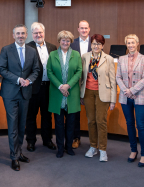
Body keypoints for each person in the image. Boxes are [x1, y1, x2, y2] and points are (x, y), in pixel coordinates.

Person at [0, 24, 40, 171]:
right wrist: (18, 79)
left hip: (26, 92)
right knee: (13, 125)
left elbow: (36, 69)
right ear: (13, 35)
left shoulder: (32, 51)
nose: (21, 36)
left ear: (26, 35)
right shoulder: (6, 50)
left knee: (22, 124)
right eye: (18, 33)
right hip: (10, 93)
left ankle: (19, 151)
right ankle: (14, 157)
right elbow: (2, 69)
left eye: (23, 33)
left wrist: (29, 80)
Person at [80, 34, 116, 162]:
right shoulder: (84, 57)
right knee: (91, 121)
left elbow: (112, 80)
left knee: (101, 121)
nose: (96, 46)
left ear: (103, 45)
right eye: (94, 43)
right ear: (91, 44)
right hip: (88, 92)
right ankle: (93, 146)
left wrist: (113, 100)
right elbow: (82, 76)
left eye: (99, 44)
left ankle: (102, 149)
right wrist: (81, 94)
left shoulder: (109, 59)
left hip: (103, 94)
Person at [47, 31, 82, 158]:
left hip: (72, 93)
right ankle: (60, 148)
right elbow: (49, 72)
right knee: (59, 124)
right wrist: (61, 86)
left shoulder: (76, 54)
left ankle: (69, 147)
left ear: (70, 42)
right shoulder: (53, 54)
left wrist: (68, 85)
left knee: (71, 123)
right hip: (57, 93)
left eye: (68, 40)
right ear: (59, 41)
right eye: (63, 40)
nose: (65, 42)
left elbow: (79, 71)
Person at [116, 34, 144, 167]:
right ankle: (133, 150)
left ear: (137, 43)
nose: (130, 45)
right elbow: (118, 77)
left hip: (139, 96)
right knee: (129, 124)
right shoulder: (121, 59)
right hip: (125, 97)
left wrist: (132, 90)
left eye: (133, 43)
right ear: (126, 44)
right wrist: (126, 91)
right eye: (128, 43)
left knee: (140, 125)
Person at [25, 22, 57, 152]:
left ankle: (47, 140)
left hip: (48, 88)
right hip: (33, 88)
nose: (38, 35)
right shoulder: (27, 47)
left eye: (40, 32)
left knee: (47, 116)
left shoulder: (52, 47)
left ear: (44, 33)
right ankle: (31, 141)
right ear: (32, 34)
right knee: (31, 116)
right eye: (36, 33)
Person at [70, 20, 92, 149]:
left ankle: (94, 141)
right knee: (75, 113)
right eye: (81, 28)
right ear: (78, 29)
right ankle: (76, 138)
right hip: (76, 83)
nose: (84, 30)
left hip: (91, 83)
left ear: (89, 29)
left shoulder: (95, 43)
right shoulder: (72, 44)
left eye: (86, 28)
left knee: (91, 113)